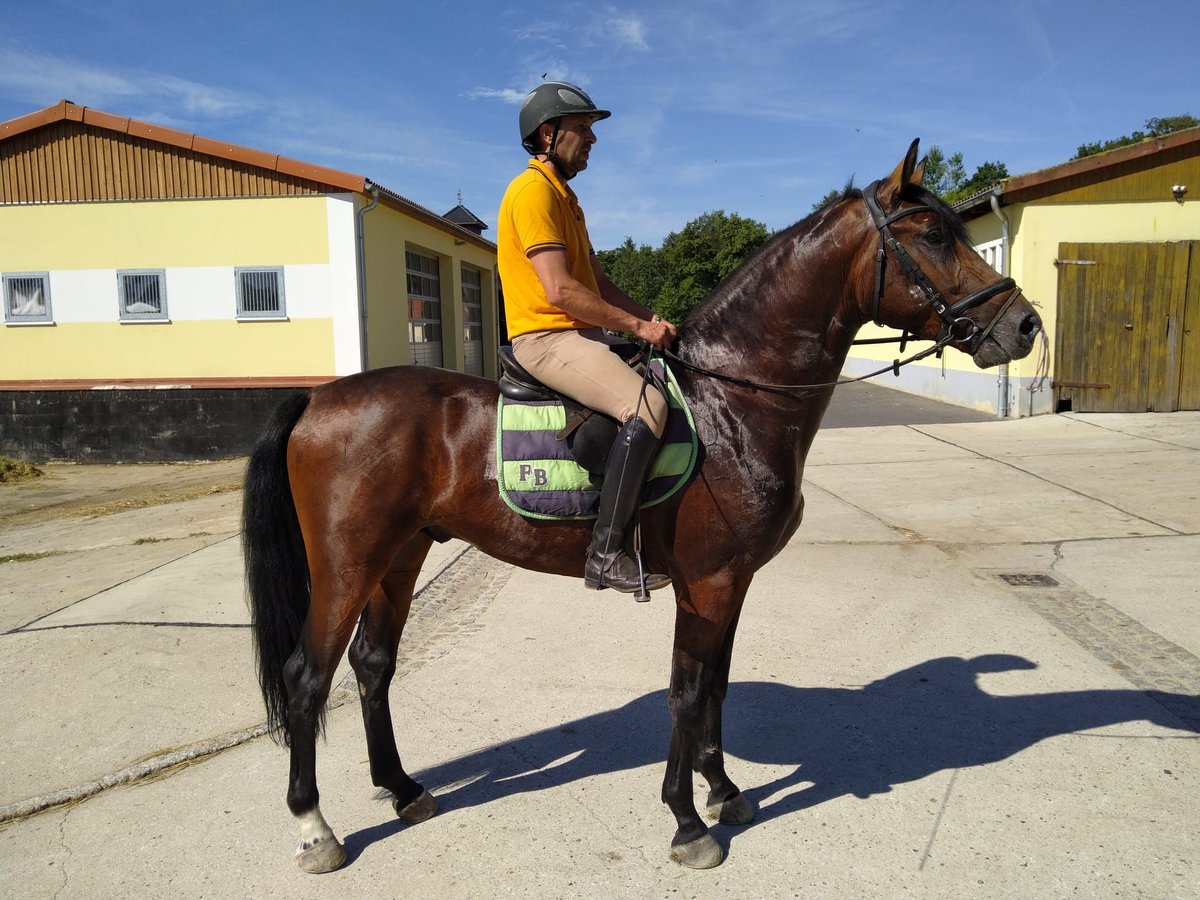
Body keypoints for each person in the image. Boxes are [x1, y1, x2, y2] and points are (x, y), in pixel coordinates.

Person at [497, 81, 677, 595]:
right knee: (647, 410)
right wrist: (637, 328)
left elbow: (600, 284)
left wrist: (654, 320)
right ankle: (605, 554)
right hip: (546, 338)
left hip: (576, 333)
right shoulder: (532, 192)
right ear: (548, 134)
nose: (592, 139)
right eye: (583, 128)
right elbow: (561, 290)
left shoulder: (565, 199)